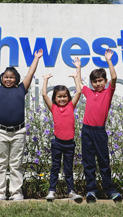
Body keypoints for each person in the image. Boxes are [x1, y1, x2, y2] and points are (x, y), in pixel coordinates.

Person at [0, 48, 43, 201]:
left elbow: (30, 74)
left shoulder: (21, 89)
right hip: (0, 131)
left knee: (16, 164)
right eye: (6, 77)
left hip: (19, 132)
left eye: (12, 77)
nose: (9, 80)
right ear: (2, 78)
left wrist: (36, 58)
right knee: (0, 164)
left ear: (16, 79)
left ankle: (16, 192)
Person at [74, 50, 123, 203]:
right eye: (95, 81)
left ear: (105, 81)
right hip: (87, 130)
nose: (98, 84)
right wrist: (78, 67)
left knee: (103, 162)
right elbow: (80, 86)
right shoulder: (89, 92)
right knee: (88, 162)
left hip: (99, 132)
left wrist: (109, 60)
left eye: (101, 81)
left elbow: (114, 77)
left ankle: (110, 190)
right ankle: (91, 190)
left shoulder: (108, 92)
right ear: (92, 83)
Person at [42, 59, 83, 203]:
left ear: (68, 97)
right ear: (55, 98)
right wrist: (46, 80)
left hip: (69, 144)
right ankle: (51, 190)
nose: (62, 98)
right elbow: (44, 95)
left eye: (65, 96)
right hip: (57, 143)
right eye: (59, 96)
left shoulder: (71, 106)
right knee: (55, 167)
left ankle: (71, 191)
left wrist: (76, 74)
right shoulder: (53, 108)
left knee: (68, 169)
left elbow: (79, 91)